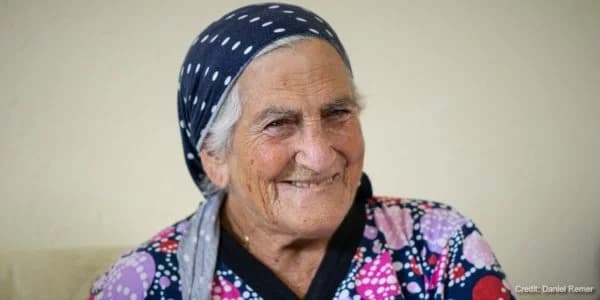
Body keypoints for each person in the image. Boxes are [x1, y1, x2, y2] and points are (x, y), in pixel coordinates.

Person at [89, 3, 515, 300]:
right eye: (278, 124)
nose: (320, 154)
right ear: (215, 158)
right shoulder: (142, 284)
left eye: (337, 113)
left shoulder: (440, 247)